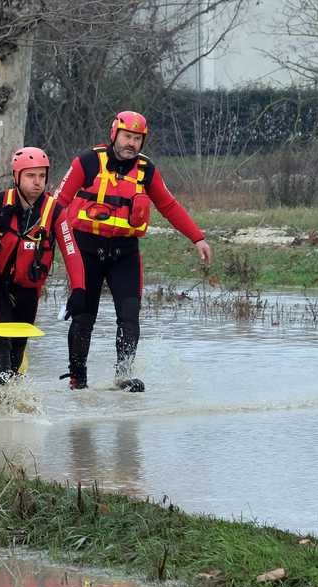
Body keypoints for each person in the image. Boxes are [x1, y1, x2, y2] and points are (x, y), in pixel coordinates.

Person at [54, 112, 212, 391]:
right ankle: (78, 378)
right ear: (114, 134)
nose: (131, 143)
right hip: (86, 250)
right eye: (127, 137)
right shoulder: (88, 161)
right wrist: (41, 236)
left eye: (137, 139)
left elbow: (169, 206)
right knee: (84, 316)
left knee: (129, 314)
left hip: (124, 253)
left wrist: (197, 238)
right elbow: (57, 203)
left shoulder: (146, 170)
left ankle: (123, 375)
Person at [0, 147, 85, 378]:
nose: (37, 182)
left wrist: (78, 289)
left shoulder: (56, 211)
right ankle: (0, 399)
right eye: (30, 175)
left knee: (17, 351)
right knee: (3, 346)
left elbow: (71, 250)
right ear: (16, 176)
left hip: (29, 288)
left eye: (42, 176)